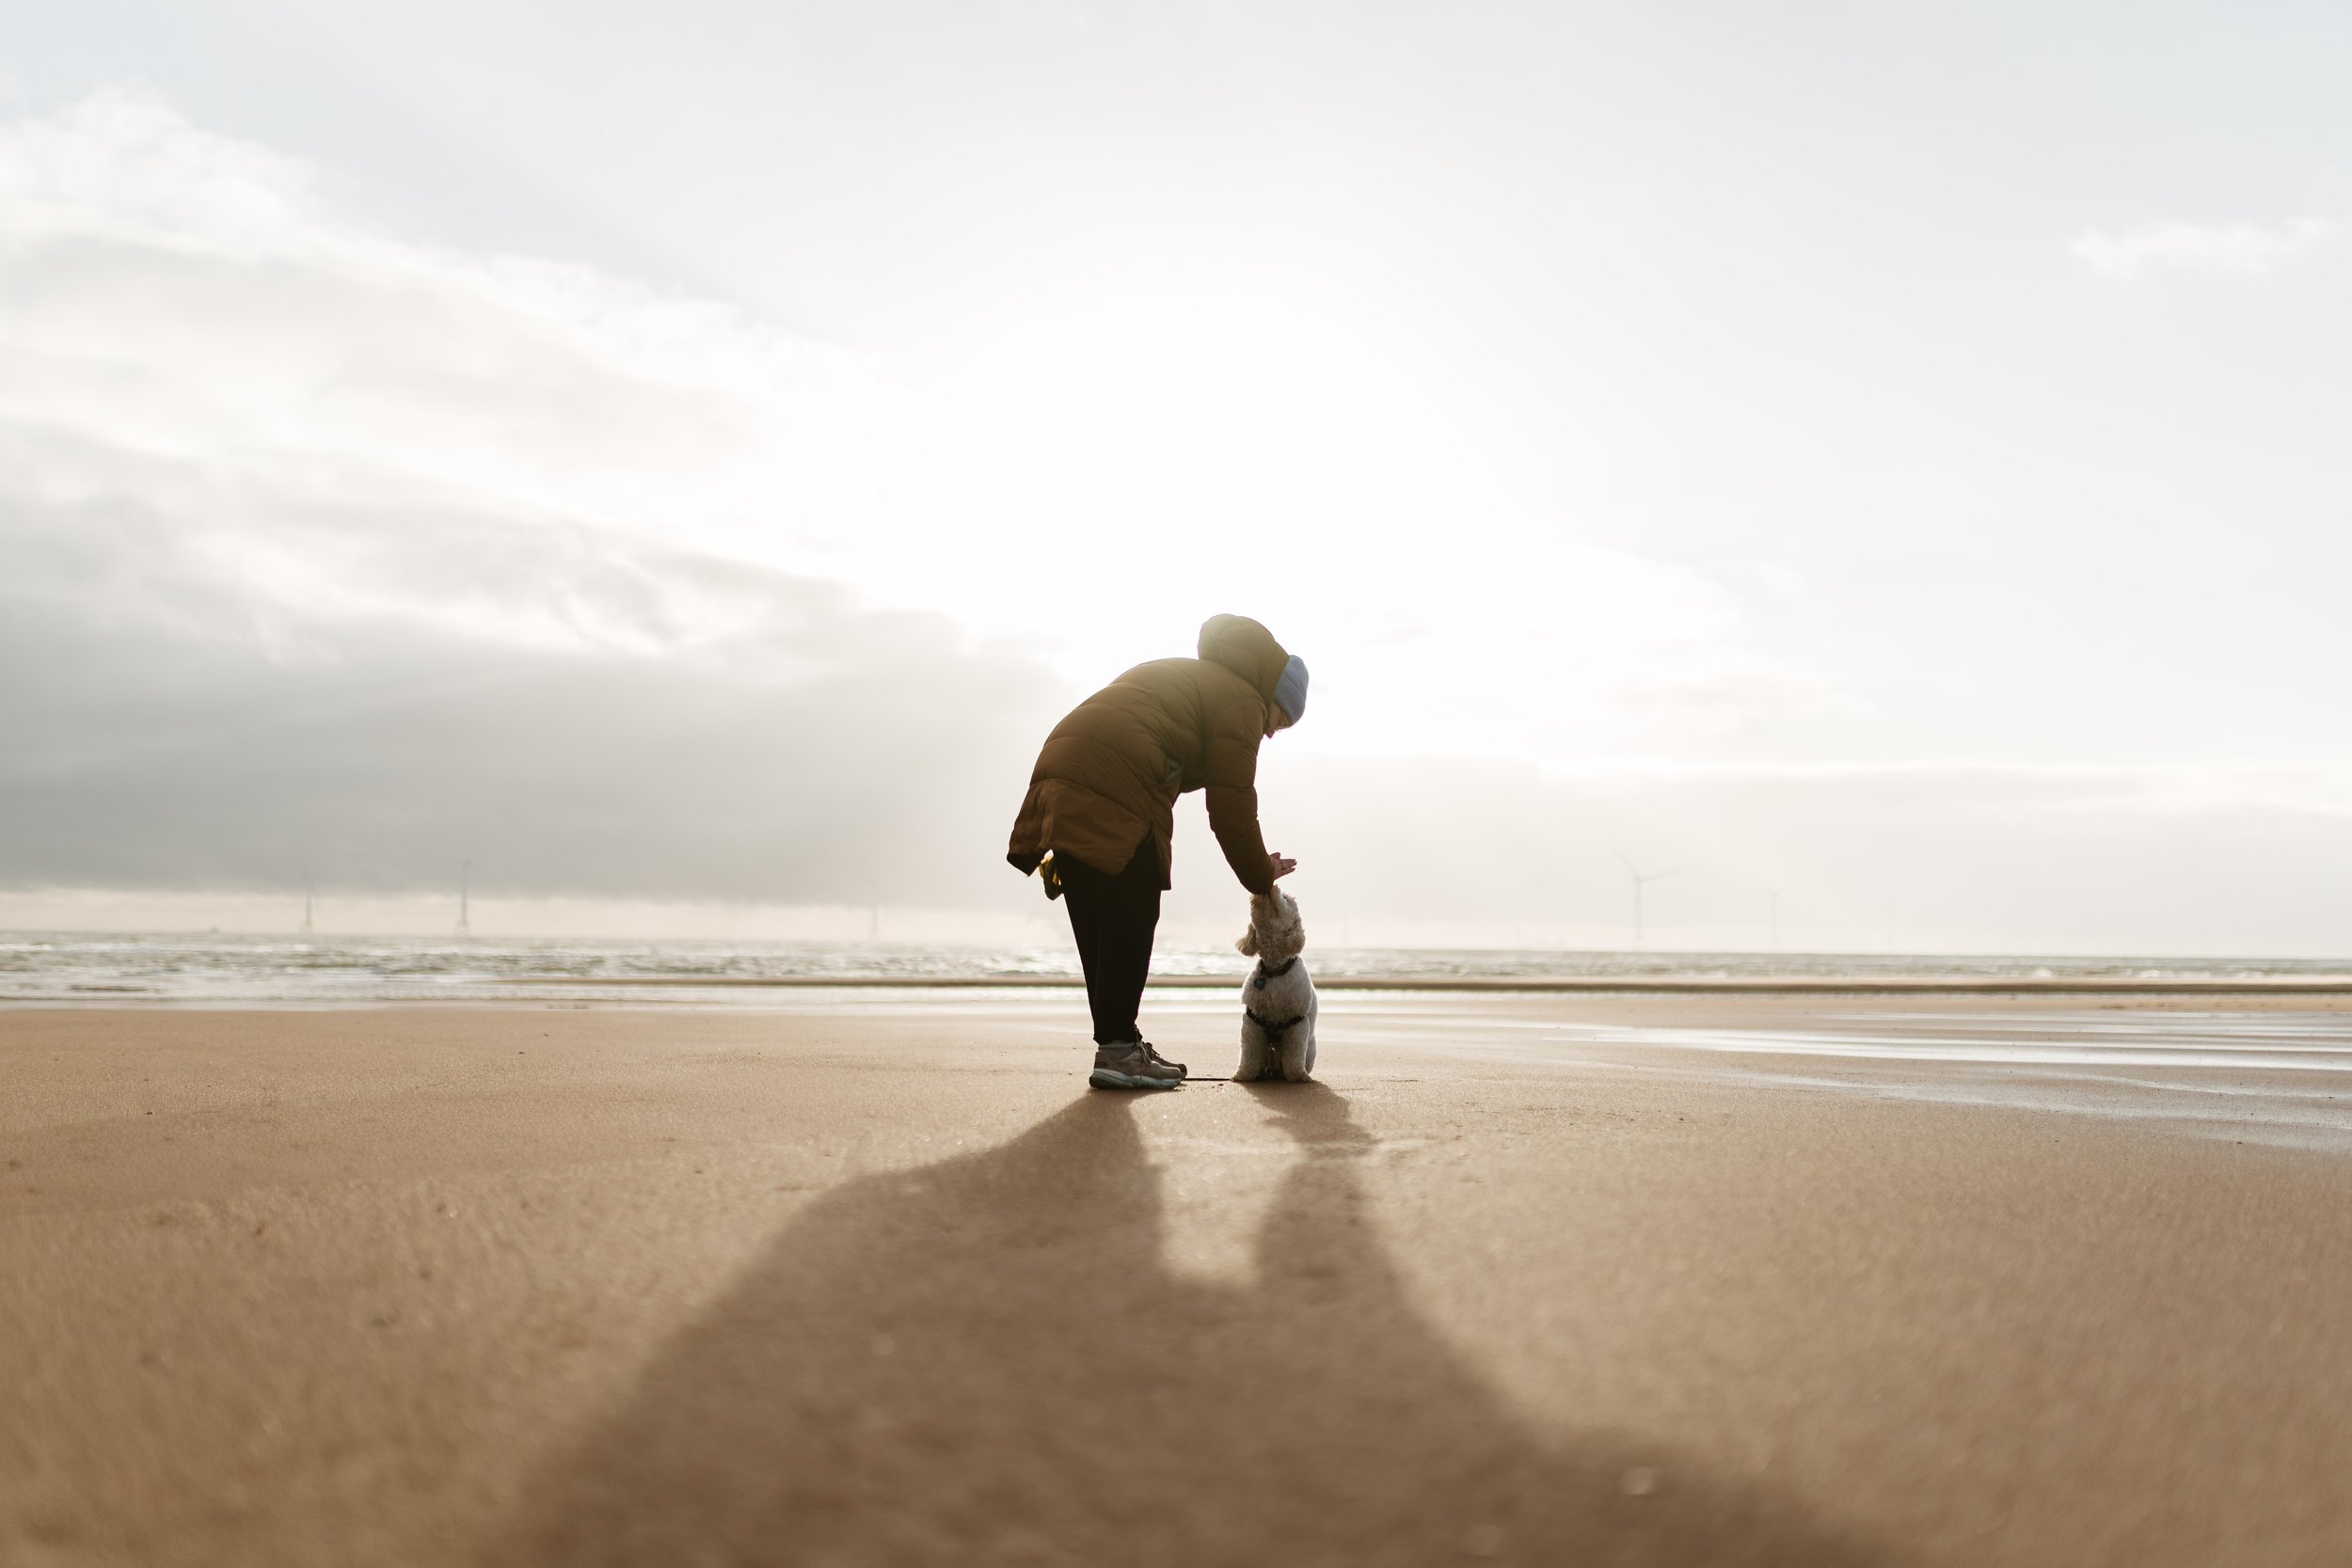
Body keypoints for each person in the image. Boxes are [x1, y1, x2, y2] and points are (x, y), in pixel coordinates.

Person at [1008, 614, 1307, 1090]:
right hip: (1117, 780)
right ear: (1270, 696)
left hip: (1060, 774)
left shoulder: (1191, 677)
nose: (1269, 733)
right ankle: (1121, 1052)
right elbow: (1231, 805)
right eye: (1277, 721)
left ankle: (1117, 1047)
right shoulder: (1242, 700)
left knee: (1100, 924)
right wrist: (1260, 876)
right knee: (1134, 908)